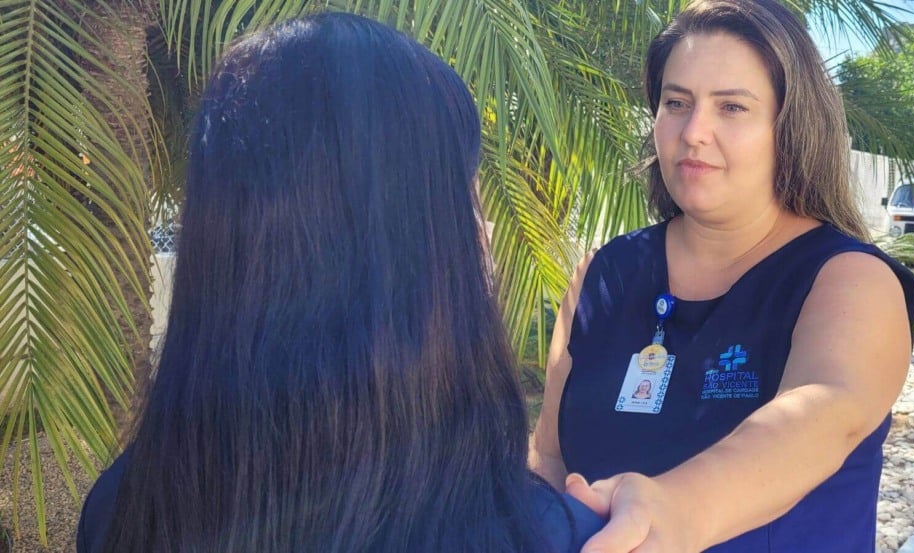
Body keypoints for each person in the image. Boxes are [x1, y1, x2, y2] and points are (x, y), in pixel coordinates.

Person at [76, 12, 602, 553]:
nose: (480, 234)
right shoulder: (541, 533)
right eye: (460, 197)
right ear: (420, 254)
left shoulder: (118, 508)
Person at [529, 0, 914, 551]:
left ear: (789, 126)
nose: (694, 132)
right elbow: (547, 455)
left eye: (732, 107)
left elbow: (826, 415)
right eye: (676, 102)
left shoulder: (848, 281)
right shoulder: (603, 274)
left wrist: (677, 510)